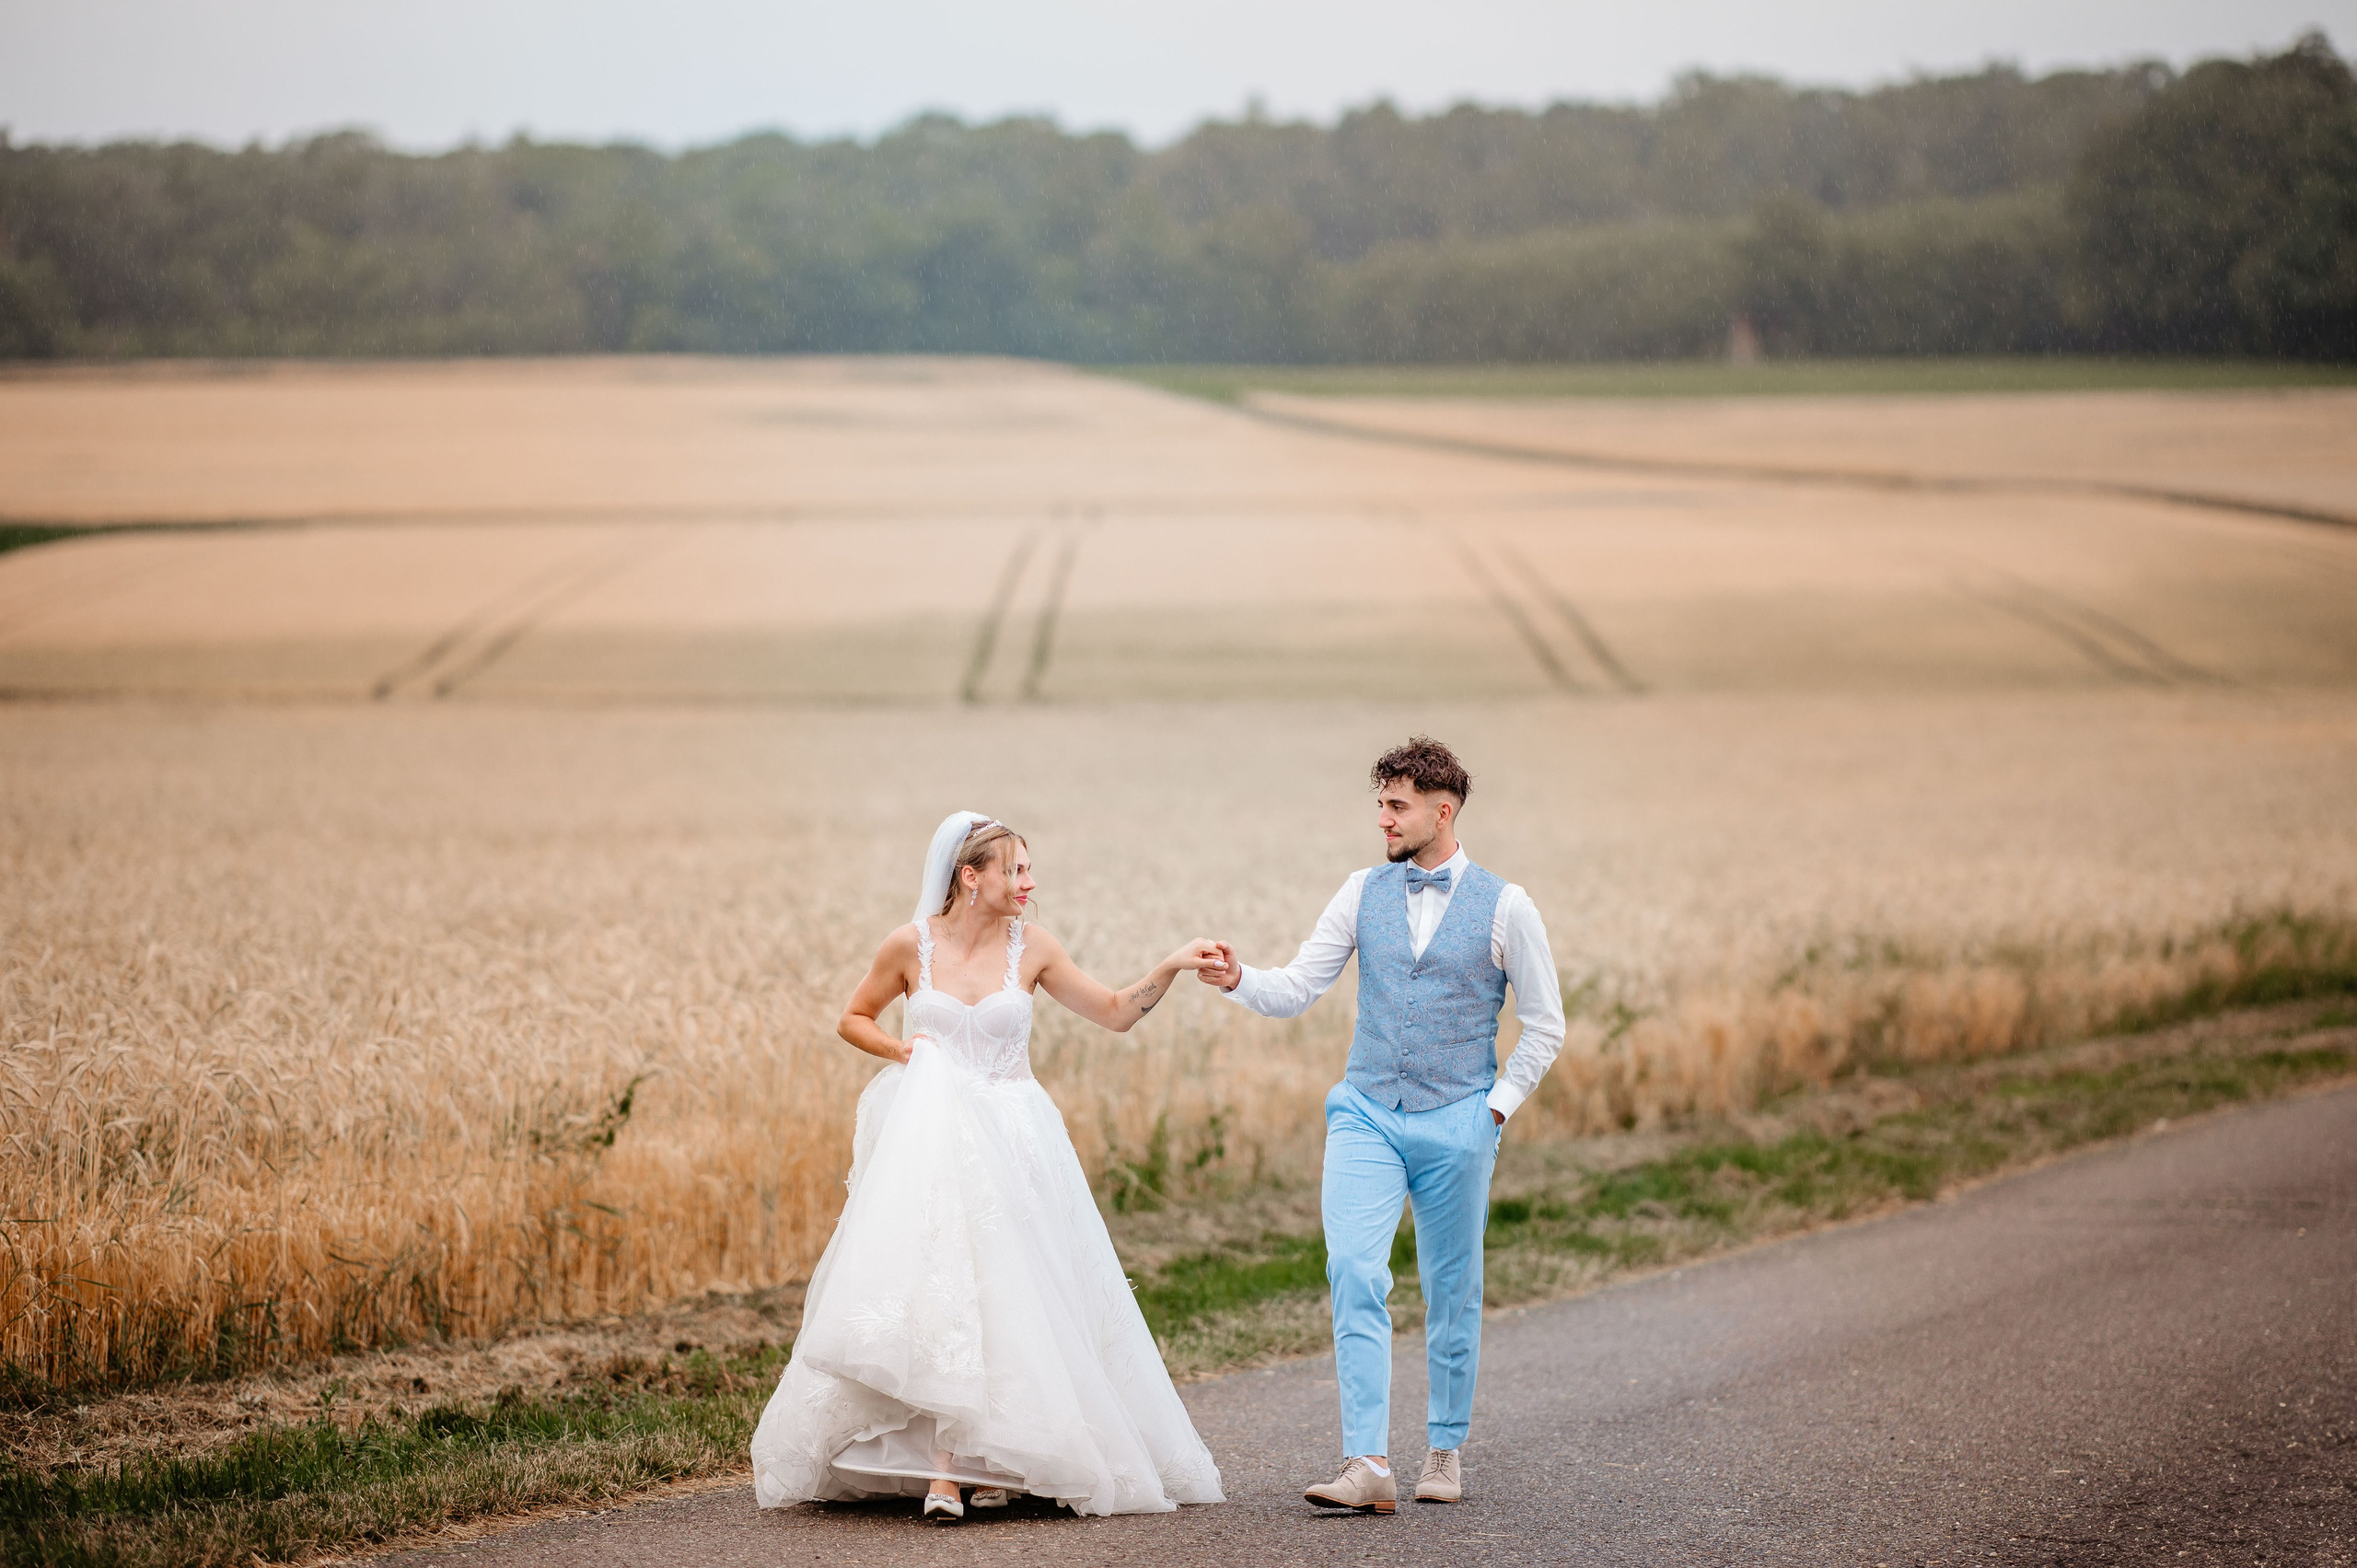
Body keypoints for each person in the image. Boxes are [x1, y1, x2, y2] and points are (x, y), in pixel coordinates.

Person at [750, 812, 1226, 1521]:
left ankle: (989, 1459)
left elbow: (1115, 1012)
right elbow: (855, 1016)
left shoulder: (1032, 948)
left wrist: (1171, 965)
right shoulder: (909, 945)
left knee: (1013, 1296)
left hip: (1016, 1138)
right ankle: (946, 1468)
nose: (1030, 882)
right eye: (1017, 869)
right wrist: (904, 1052)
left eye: (1030, 869)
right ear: (970, 876)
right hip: (933, 1141)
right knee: (946, 1292)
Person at [1199, 738, 1565, 1514]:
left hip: (1458, 1120)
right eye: (1380, 805)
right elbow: (1300, 984)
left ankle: (1443, 1446)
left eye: (1396, 806)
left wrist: (1492, 1110)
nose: (1383, 821)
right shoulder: (1360, 891)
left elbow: (1545, 1025)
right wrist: (1239, 979)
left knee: (1452, 1289)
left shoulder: (1507, 906)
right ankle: (1367, 1462)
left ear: (1444, 809)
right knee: (1355, 1272)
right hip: (1365, 1112)